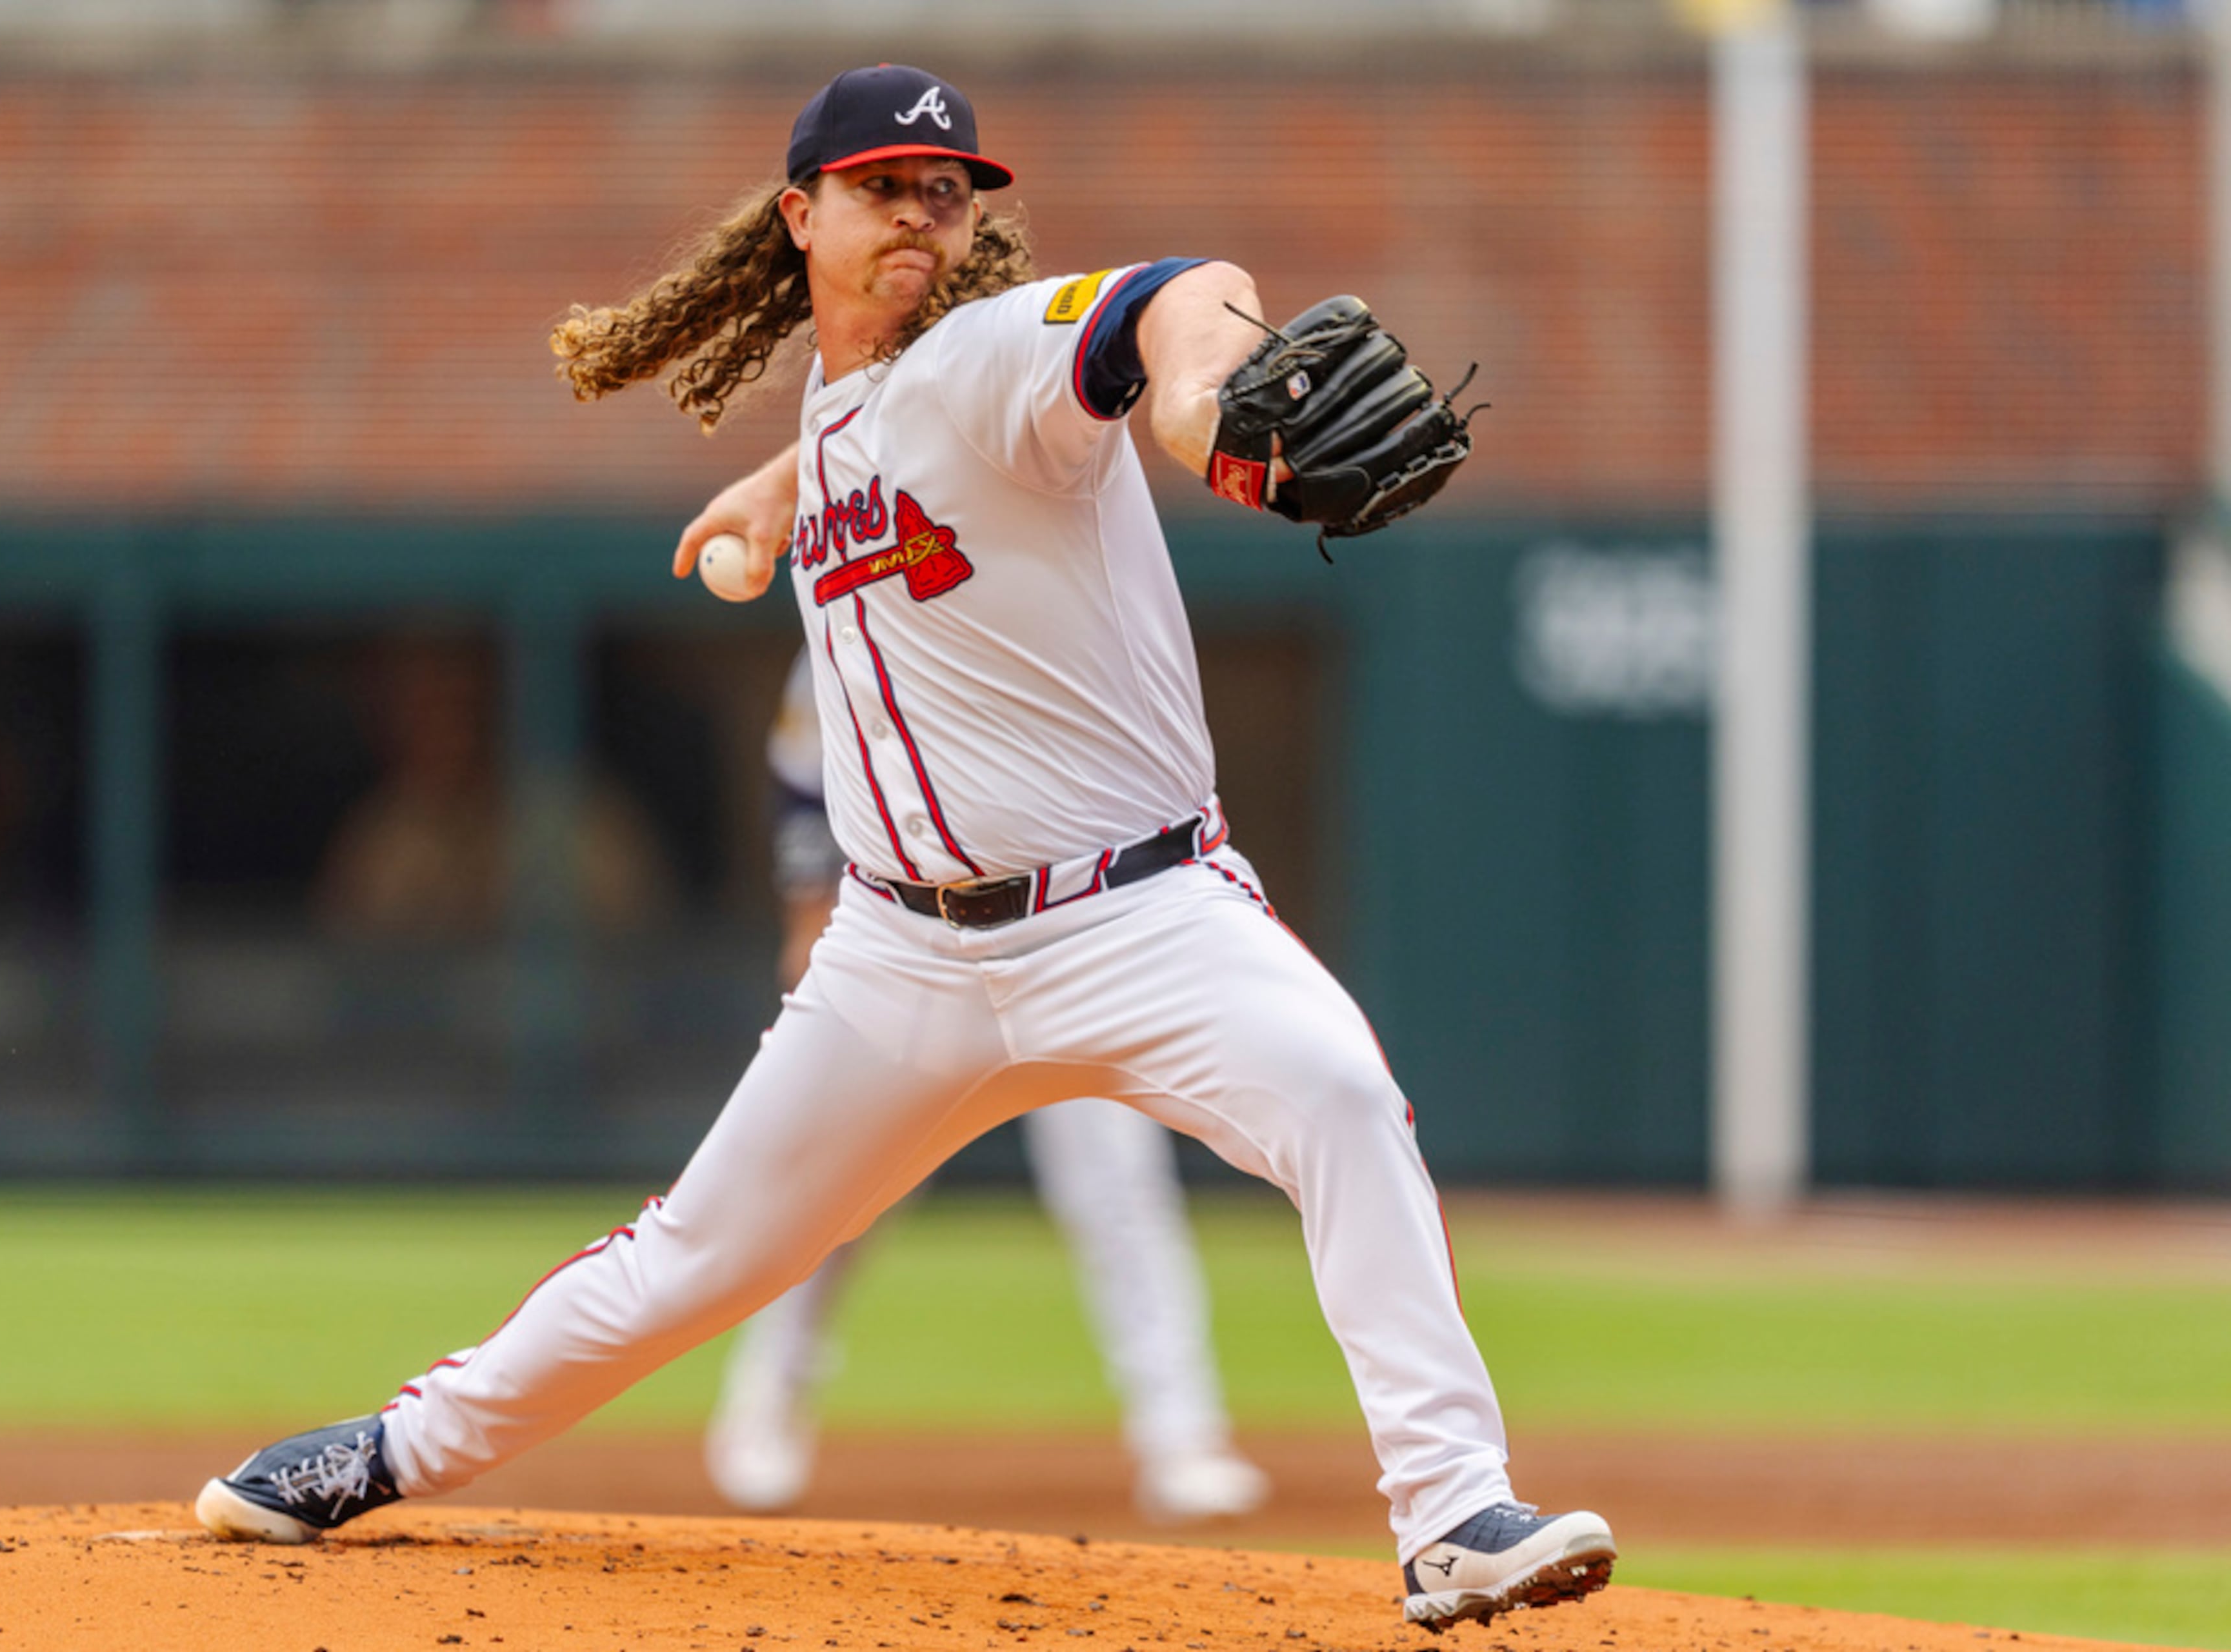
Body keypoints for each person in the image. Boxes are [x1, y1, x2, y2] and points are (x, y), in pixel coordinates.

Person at [195, 63, 1616, 1633]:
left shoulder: (1002, 358)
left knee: (1343, 1097)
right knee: (696, 1257)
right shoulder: (855, 399)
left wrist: (1212, 406)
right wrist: (769, 487)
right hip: (904, 959)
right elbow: (867, 438)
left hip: (1135, 916)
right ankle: (389, 1452)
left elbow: (1173, 302)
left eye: (946, 192)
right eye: (884, 189)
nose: (922, 217)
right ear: (802, 216)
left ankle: (1453, 1512)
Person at [703, 647, 1270, 1525]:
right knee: (841, 1196)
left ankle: (1182, 1436)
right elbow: (804, 766)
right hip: (917, 954)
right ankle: (762, 1404)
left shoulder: (1039, 599)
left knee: (1120, 1187)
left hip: (1067, 945)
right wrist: (808, 911)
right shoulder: (863, 592)